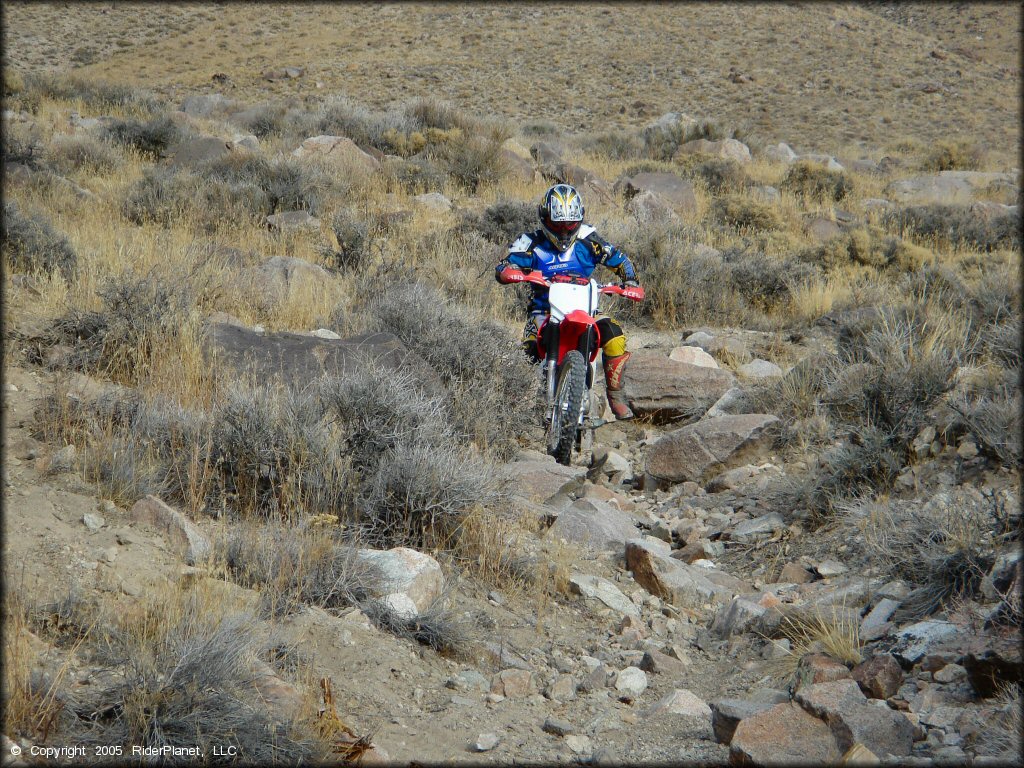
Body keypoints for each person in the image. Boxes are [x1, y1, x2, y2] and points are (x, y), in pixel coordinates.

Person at [495, 183, 640, 420]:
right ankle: (517, 410)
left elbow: (620, 260)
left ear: (579, 220)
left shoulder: (588, 239)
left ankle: (615, 395)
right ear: (544, 218)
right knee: (527, 353)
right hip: (544, 312)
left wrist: (631, 281)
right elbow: (505, 264)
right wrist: (509, 270)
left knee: (614, 334)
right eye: (557, 225)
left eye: (569, 225)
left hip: (586, 310)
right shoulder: (530, 242)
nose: (563, 232)